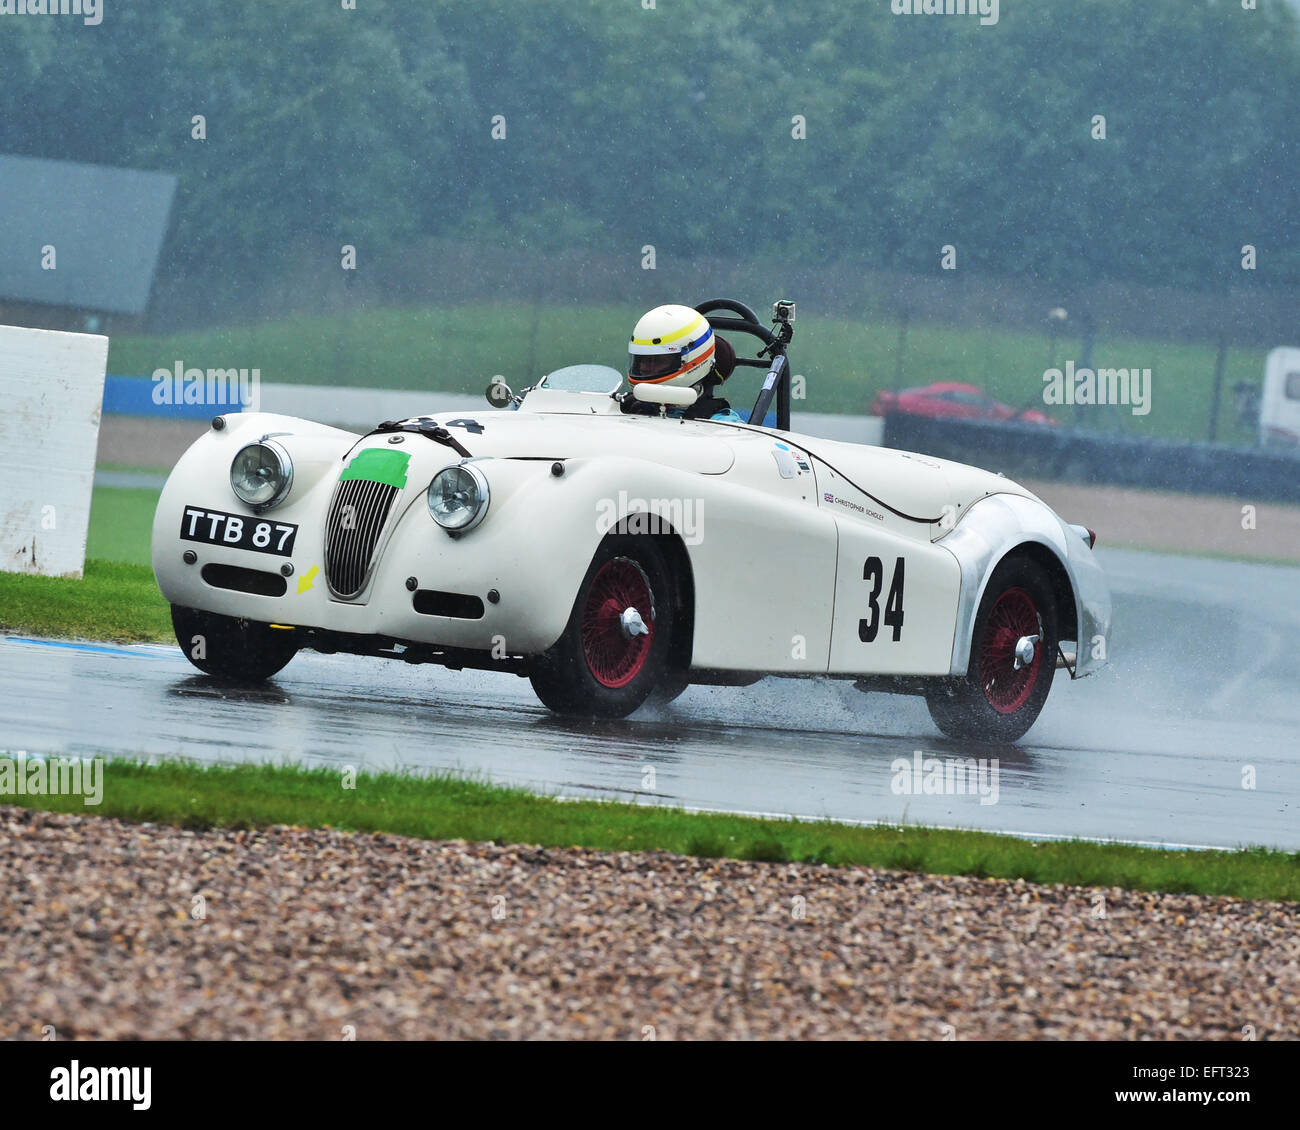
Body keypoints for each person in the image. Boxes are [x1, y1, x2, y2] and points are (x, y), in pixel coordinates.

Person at [622, 304, 744, 422]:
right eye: (641, 360)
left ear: (692, 360)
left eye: (658, 360)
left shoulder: (724, 424)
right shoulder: (625, 409)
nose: (643, 368)